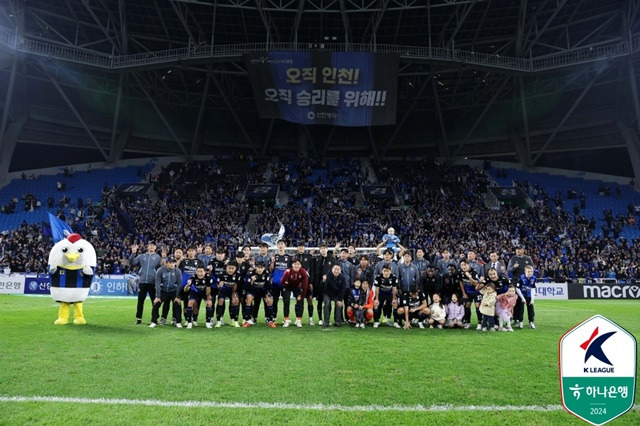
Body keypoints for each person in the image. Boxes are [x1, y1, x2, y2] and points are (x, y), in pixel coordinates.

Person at [130, 241, 162, 325]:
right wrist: (133, 253)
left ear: (155, 248)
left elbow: (160, 270)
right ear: (147, 247)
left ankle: (155, 318)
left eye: (153, 245)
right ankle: (139, 318)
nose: (152, 246)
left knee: (154, 301)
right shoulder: (141, 256)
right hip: (142, 281)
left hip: (153, 282)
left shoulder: (158, 257)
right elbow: (132, 263)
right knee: (140, 301)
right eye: (150, 245)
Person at [150, 257, 183, 328]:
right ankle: (153, 321)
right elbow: (157, 284)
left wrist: (177, 297)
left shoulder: (178, 271)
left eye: (173, 262)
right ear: (166, 263)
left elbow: (179, 284)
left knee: (177, 304)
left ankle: (178, 322)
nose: (172, 264)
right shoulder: (160, 270)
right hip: (163, 291)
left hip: (173, 291)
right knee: (156, 304)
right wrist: (158, 296)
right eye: (170, 262)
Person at [243, 261, 276, 328]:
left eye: (261, 268)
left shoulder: (266, 274)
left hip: (263, 291)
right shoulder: (251, 274)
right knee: (248, 299)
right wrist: (252, 281)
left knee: (269, 301)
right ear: (255, 267)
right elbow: (247, 287)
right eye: (258, 267)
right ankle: (247, 320)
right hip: (253, 291)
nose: (260, 269)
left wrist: (267, 294)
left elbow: (268, 286)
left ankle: (270, 321)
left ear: (264, 268)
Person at [280, 259, 310, 328]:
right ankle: (286, 319)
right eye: (295, 264)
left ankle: (299, 320)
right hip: (287, 286)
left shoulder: (303, 272)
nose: (296, 265)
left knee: (300, 301)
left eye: (298, 264)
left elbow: (305, 285)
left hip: (297, 287)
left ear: (301, 265)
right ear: (292, 265)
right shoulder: (288, 271)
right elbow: (282, 283)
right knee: (286, 301)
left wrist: (302, 296)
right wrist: (286, 275)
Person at [314, 244, 338, 326]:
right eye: (321, 249)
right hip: (318, 284)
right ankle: (320, 318)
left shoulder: (332, 259)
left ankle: (328, 319)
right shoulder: (316, 259)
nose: (323, 250)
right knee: (319, 301)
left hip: (329, 285)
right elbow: (314, 272)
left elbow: (335, 271)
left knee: (328, 302)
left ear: (327, 250)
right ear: (320, 250)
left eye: (324, 248)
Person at [214, 261, 242, 328]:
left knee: (235, 301)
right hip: (223, 291)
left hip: (232, 290)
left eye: (232, 268)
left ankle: (234, 321)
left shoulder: (238, 275)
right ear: (226, 267)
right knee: (220, 301)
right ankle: (219, 321)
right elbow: (218, 286)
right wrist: (219, 286)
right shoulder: (221, 274)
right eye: (229, 268)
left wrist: (233, 295)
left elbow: (235, 285)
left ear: (235, 268)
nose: (231, 270)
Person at [270, 240, 292, 322]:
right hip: (275, 283)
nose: (280, 245)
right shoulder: (274, 257)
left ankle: (286, 318)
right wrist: (272, 262)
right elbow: (270, 270)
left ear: (285, 246)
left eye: (282, 244)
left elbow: (291, 270)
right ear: (277, 246)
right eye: (279, 244)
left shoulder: (289, 258)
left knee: (286, 301)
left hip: (285, 284)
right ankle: (274, 318)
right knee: (275, 301)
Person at [295, 242, 315, 325]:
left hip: (307, 283)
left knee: (309, 299)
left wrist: (311, 282)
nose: (301, 248)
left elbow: (312, 271)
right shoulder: (294, 258)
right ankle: (298, 318)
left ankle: (310, 319)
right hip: (297, 284)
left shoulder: (309, 257)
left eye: (302, 247)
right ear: (297, 248)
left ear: (304, 248)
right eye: (299, 247)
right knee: (298, 300)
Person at [458, 259, 481, 329]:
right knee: (467, 305)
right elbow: (461, 282)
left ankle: (480, 323)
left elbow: (476, 284)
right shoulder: (460, 272)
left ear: (468, 264)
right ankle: (468, 322)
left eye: (465, 265)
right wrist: (464, 293)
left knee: (478, 306)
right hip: (468, 293)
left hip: (477, 292)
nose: (463, 267)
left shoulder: (474, 272)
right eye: (462, 265)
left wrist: (469, 277)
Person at [322, 264, 346, 328]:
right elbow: (323, 288)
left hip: (337, 295)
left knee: (339, 304)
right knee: (327, 304)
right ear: (332, 269)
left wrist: (340, 300)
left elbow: (343, 289)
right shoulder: (327, 276)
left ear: (340, 270)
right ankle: (326, 322)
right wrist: (323, 281)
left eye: (338, 269)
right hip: (327, 293)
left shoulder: (343, 278)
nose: (336, 271)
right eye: (335, 269)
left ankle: (337, 322)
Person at [515, 265, 537, 329]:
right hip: (521, 295)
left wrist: (532, 299)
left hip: (529, 295)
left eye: (531, 271)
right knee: (520, 309)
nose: (530, 273)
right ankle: (520, 321)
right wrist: (522, 298)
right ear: (525, 271)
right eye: (528, 271)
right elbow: (517, 288)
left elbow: (533, 288)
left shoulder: (534, 278)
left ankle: (531, 322)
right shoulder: (521, 278)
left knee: (531, 309)